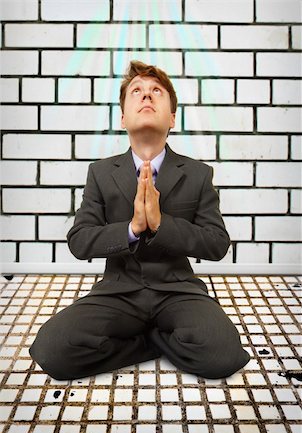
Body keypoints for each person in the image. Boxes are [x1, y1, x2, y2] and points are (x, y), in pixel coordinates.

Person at [30, 61, 250, 380]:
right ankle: (153, 343)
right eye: (137, 91)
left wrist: (162, 224)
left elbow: (216, 243)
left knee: (223, 356)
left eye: (156, 92)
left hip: (178, 289)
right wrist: (132, 228)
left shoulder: (198, 174)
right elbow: (80, 240)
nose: (146, 96)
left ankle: (151, 336)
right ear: (123, 118)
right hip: (118, 291)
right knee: (51, 350)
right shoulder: (101, 173)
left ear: (172, 117)